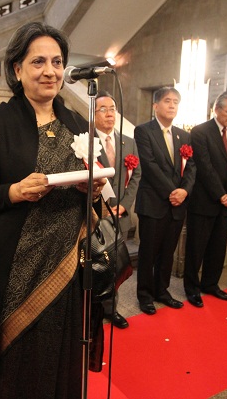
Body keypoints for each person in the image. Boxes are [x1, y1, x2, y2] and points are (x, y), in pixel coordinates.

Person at [0, 22, 107, 399]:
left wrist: (94, 189)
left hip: (68, 265)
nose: (50, 71)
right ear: (16, 70)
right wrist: (13, 191)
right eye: (38, 61)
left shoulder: (76, 123)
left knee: (62, 350)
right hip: (15, 266)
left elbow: (91, 190)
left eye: (57, 61)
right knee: (20, 357)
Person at [134, 86, 195, 315]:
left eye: (176, 102)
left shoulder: (184, 135)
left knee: (167, 251)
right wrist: (174, 192)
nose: (172, 105)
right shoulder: (144, 131)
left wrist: (185, 191)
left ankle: (162, 290)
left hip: (178, 203)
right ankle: (145, 295)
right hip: (154, 202)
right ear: (155, 105)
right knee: (149, 251)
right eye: (167, 101)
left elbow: (191, 167)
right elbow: (149, 166)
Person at [184, 90, 227, 307]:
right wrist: (221, 195)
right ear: (217, 109)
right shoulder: (201, 132)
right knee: (196, 248)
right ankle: (192, 288)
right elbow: (204, 167)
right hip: (204, 201)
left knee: (218, 247)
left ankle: (210, 284)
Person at [94, 90, 141, 329]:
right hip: (95, 217)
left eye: (112, 108)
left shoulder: (128, 141)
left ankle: (111, 309)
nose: (110, 113)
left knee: (114, 266)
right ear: (93, 113)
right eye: (103, 109)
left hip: (120, 215)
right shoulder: (85, 141)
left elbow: (136, 176)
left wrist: (125, 205)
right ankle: (91, 311)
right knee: (94, 264)